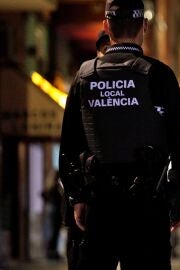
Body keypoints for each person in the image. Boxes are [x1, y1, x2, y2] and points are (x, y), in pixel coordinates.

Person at [58, 1, 180, 269]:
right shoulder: (159, 75)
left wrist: (78, 197)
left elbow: (70, 144)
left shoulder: (85, 76)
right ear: (144, 25)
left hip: (99, 202)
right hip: (148, 203)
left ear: (106, 26)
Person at [61, 31, 112, 270]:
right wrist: (76, 195)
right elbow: (70, 145)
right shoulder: (84, 82)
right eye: (106, 51)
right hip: (88, 198)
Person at [42, 171, 63, 260]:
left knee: (53, 232)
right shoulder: (55, 187)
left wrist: (48, 202)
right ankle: (52, 253)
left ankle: (52, 252)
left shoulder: (50, 186)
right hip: (55, 211)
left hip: (52, 211)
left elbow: (43, 195)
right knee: (54, 232)